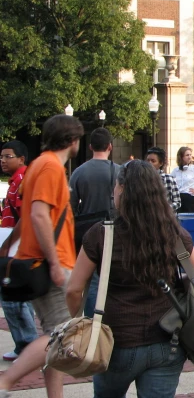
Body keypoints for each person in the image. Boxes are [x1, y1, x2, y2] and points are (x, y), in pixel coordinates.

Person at [66, 160, 194, 398]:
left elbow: (74, 288)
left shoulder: (102, 235)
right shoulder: (174, 235)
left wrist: (77, 319)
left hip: (114, 341)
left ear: (121, 190)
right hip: (168, 341)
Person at [0, 115, 92, 398]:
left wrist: (8, 245)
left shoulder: (38, 164)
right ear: (74, 141)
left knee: (56, 337)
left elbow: (26, 214)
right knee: (60, 336)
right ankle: (5, 383)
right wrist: (55, 263)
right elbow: (39, 215)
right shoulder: (52, 167)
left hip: (36, 259)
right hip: (50, 261)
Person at [68, 127, 119, 318]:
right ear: (110, 147)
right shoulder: (119, 172)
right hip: (115, 230)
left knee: (91, 280)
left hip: (87, 232)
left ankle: (90, 320)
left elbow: (71, 207)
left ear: (90, 146)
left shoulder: (79, 172)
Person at [0, 141, 38, 363]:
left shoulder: (23, 181)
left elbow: (27, 216)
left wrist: (7, 244)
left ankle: (27, 344)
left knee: (14, 298)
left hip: (17, 248)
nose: (3, 160)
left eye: (8, 156)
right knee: (15, 297)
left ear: (22, 159)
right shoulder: (15, 181)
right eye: (2, 157)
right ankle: (24, 343)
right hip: (14, 246)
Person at [145, 147, 181, 212]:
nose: (149, 163)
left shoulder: (169, 179)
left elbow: (177, 202)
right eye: (148, 160)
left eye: (153, 161)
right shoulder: (141, 179)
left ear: (161, 163)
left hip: (165, 218)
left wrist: (164, 209)